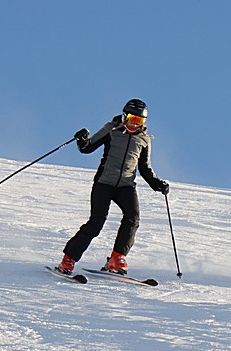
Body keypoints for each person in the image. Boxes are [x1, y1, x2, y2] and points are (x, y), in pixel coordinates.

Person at [56, 98, 169, 276]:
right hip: (104, 183)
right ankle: (68, 259)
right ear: (124, 116)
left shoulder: (144, 140)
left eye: (139, 121)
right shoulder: (111, 130)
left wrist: (158, 184)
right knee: (96, 223)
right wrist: (82, 140)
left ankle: (117, 258)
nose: (134, 124)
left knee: (132, 218)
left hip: (125, 186)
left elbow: (145, 168)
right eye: (132, 119)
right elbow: (88, 148)